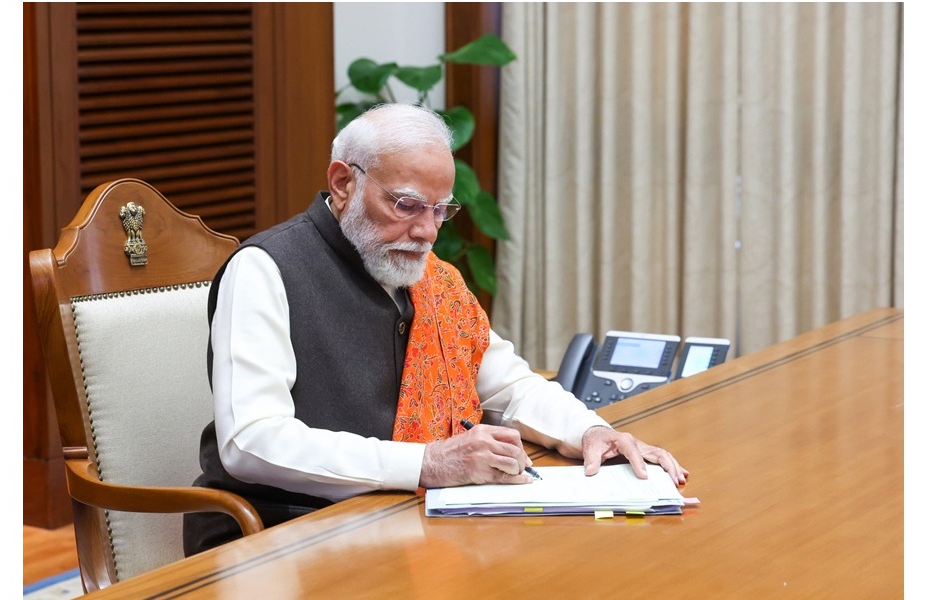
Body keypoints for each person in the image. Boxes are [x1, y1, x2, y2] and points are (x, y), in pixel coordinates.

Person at [183, 103, 688, 555]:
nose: (426, 231)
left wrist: (590, 430)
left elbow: (509, 385)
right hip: (283, 537)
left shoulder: (432, 278)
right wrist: (426, 464)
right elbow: (251, 441)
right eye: (405, 205)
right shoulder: (267, 269)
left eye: (440, 209)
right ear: (343, 183)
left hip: (408, 521)